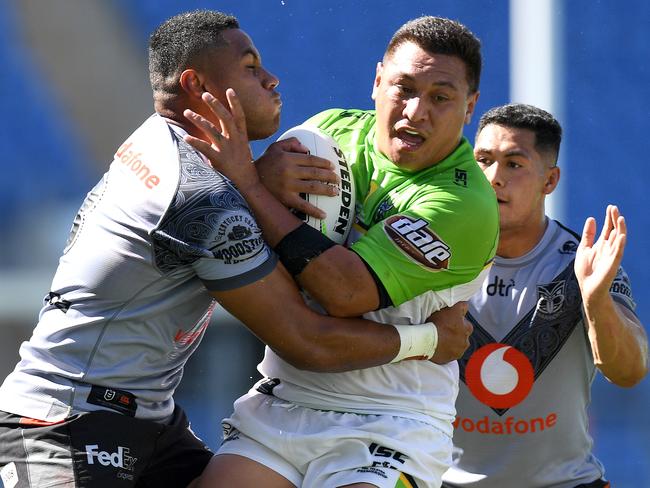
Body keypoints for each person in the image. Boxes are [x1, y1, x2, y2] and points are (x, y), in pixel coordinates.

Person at [0, 11, 470, 488]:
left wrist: (253, 181)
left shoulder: (162, 142)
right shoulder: (201, 199)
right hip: (63, 422)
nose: (271, 78)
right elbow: (306, 341)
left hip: (149, 423)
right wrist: (428, 341)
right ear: (197, 85)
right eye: (250, 67)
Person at [184, 16, 499, 488]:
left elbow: (346, 292)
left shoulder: (464, 204)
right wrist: (259, 178)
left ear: (470, 106)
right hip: (285, 400)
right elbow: (247, 226)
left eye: (440, 96)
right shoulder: (326, 133)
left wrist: (250, 183)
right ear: (376, 81)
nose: (416, 111)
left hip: (390, 422)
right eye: (403, 88)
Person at [441, 103, 649, 488]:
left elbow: (630, 371)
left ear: (549, 181)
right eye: (483, 160)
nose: (493, 178)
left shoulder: (584, 265)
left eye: (513, 164)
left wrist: (595, 301)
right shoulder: (432, 258)